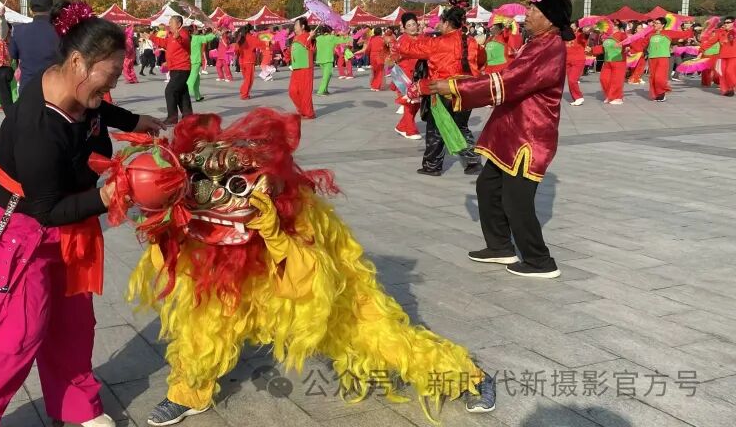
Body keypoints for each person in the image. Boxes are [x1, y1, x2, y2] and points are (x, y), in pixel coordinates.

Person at [111, 109, 495, 426]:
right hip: (232, 275)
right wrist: (161, 225)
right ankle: (188, 392)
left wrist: (273, 233)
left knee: (373, 334)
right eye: (203, 185)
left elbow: (309, 283)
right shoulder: (195, 209)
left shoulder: (297, 215)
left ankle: (466, 377)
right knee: (204, 324)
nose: (220, 194)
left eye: (234, 185)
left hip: (301, 276)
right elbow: (171, 265)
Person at [0, 4, 164, 427]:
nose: (114, 83)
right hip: (17, 224)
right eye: (110, 75)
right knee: (17, 331)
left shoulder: (76, 88)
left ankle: (77, 405)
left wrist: (134, 121)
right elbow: (47, 210)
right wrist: (109, 196)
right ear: (78, 61)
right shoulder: (40, 126)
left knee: (73, 320)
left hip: (67, 217)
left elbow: (100, 110)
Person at [430, 0, 571, 279]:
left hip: (529, 135)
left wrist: (455, 88)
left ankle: (539, 260)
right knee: (488, 187)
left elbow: (509, 82)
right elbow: (506, 77)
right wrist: (461, 82)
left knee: (516, 200)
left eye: (533, 11)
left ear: (550, 19)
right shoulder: (537, 43)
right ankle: (500, 247)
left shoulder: (550, 48)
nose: (526, 14)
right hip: (511, 129)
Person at [395, 6, 483, 176]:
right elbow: (482, 59)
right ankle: (473, 163)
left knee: (435, 129)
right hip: (467, 90)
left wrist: (401, 38)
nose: (439, 25)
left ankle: (432, 165)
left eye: (441, 22)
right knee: (461, 126)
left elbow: (408, 49)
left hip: (444, 90)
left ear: (447, 23)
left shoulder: (438, 43)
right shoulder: (471, 42)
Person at [9, 0, 61, 91]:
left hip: (27, 88)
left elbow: (13, 55)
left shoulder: (18, 30)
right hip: (52, 88)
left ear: (30, 10)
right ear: (51, 9)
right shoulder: (59, 31)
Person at [642, 16, 694, 102]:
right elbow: (643, 43)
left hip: (663, 57)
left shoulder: (668, 33)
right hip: (652, 58)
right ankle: (656, 94)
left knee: (659, 77)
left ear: (662, 25)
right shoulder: (651, 34)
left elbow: (683, 34)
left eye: (657, 23)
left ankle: (662, 93)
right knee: (653, 77)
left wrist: (691, 29)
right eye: (654, 23)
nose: (655, 24)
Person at [151, 15, 192, 124]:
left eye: (171, 22)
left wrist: (178, 37)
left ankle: (172, 117)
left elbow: (184, 42)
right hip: (174, 68)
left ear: (178, 24)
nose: (169, 25)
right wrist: (151, 37)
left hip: (181, 68)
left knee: (170, 90)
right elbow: (164, 43)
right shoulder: (171, 36)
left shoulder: (183, 34)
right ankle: (188, 116)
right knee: (182, 92)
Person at [392, 14, 423, 140]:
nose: (412, 27)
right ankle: (410, 130)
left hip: (418, 75)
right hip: (405, 76)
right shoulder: (402, 40)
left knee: (417, 104)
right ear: (404, 28)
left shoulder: (421, 37)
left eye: (413, 24)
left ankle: (401, 126)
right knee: (409, 103)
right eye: (408, 25)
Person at [287, 17, 315, 118]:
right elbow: (292, 50)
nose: (294, 27)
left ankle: (309, 113)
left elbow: (312, 48)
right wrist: (285, 56)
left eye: (296, 25)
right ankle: (303, 110)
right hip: (295, 68)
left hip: (305, 68)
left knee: (305, 92)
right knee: (292, 91)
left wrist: (311, 38)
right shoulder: (295, 38)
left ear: (302, 26)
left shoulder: (308, 35)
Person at [592, 23, 627, 104]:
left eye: (615, 28)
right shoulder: (606, 37)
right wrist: (591, 50)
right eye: (611, 28)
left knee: (617, 80)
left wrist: (627, 46)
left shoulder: (621, 35)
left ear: (619, 29)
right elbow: (603, 48)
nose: (613, 29)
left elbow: (627, 41)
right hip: (607, 61)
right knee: (604, 79)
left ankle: (618, 98)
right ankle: (610, 95)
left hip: (619, 61)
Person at [702, 17, 736, 96]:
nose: (726, 24)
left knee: (729, 71)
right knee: (722, 74)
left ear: (733, 23)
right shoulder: (720, 33)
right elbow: (710, 42)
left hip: (733, 56)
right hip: (722, 56)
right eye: (725, 23)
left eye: (728, 22)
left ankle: (732, 86)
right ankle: (726, 90)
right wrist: (701, 50)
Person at [313, 26, 350, 95]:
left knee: (327, 75)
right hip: (328, 59)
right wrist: (344, 34)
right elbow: (345, 40)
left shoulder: (318, 38)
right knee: (326, 76)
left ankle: (325, 90)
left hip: (320, 59)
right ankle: (320, 91)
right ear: (329, 31)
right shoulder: (331, 38)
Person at [185, 27, 215, 101]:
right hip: (195, 61)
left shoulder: (186, 39)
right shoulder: (196, 38)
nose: (197, 30)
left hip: (188, 60)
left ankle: (198, 96)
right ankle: (184, 95)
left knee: (196, 79)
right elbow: (207, 38)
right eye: (195, 29)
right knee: (192, 79)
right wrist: (214, 32)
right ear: (191, 31)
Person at [233, 24, 261, 99]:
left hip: (242, 61)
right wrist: (269, 43)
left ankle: (244, 92)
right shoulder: (252, 38)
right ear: (250, 30)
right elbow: (262, 44)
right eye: (252, 30)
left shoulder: (240, 39)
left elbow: (236, 50)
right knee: (249, 79)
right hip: (249, 61)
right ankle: (244, 93)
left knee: (246, 79)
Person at [565, 23, 588, 105]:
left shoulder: (580, 35)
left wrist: (587, 31)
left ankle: (579, 97)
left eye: (573, 26)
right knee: (570, 81)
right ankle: (576, 98)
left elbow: (586, 34)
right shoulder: (566, 36)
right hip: (568, 61)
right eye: (570, 26)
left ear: (577, 27)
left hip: (578, 60)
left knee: (572, 80)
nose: (571, 27)